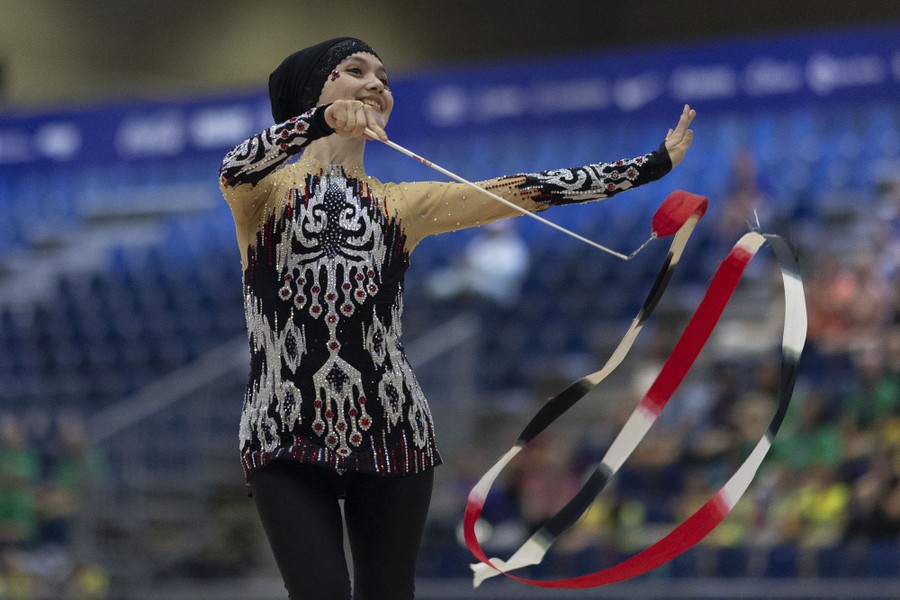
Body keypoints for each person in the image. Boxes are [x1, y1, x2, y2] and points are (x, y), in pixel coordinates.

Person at [219, 36, 695, 599]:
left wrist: (648, 167)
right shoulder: (262, 195)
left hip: (392, 426)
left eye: (385, 78)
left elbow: (524, 190)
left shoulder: (400, 204)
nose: (377, 84)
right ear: (311, 92)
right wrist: (318, 122)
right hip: (284, 427)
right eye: (354, 71)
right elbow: (236, 162)